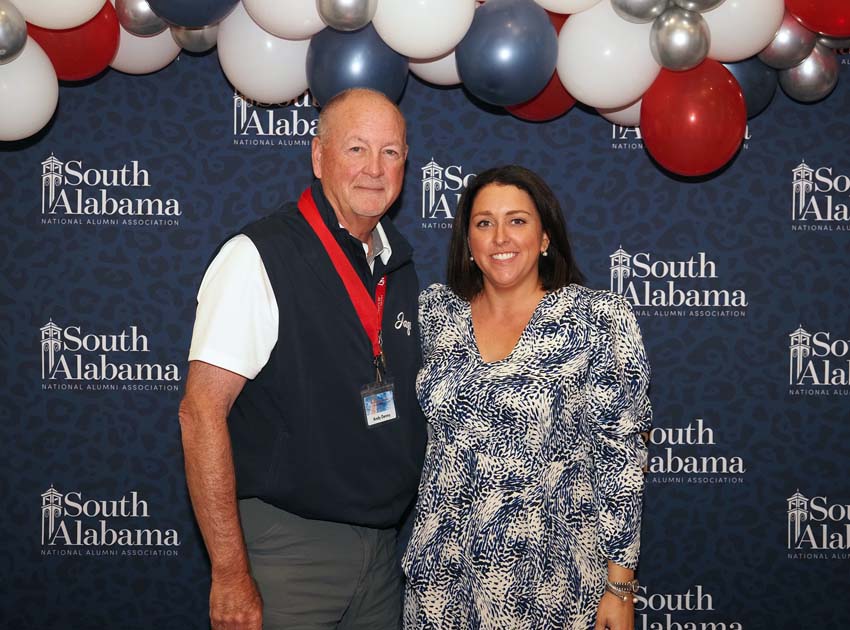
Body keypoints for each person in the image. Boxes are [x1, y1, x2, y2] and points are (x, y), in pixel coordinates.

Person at [179, 88, 427, 630]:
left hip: (382, 553)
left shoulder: (399, 267)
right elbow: (200, 413)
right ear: (318, 157)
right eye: (356, 149)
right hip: (286, 550)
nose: (374, 169)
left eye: (391, 153)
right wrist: (229, 571)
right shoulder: (259, 256)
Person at [402, 165, 652, 630]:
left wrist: (620, 587)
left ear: (544, 238)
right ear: (468, 243)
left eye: (517, 221)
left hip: (551, 582)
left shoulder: (597, 318)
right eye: (484, 223)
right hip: (440, 579)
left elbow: (621, 461)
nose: (500, 237)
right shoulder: (436, 313)